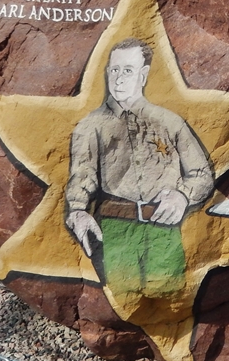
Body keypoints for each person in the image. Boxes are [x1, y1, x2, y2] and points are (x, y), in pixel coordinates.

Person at [65, 37, 213, 295]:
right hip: (114, 230)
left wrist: (182, 196)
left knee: (169, 297)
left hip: (163, 228)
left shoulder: (169, 122)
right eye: (114, 70)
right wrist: (77, 211)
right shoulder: (90, 126)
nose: (119, 78)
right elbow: (82, 176)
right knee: (124, 298)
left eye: (128, 70)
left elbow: (201, 174)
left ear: (143, 75)